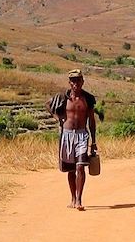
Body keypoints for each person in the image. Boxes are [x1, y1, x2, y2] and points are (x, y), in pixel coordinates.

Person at [46, 69, 97, 211]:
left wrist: (93, 142)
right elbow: (47, 105)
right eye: (73, 81)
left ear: (83, 81)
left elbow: (92, 121)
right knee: (70, 169)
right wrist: (58, 119)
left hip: (82, 135)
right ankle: (73, 198)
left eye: (78, 80)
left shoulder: (88, 99)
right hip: (67, 135)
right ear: (69, 83)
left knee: (80, 166)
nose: (76, 83)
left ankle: (79, 199)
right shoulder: (63, 97)